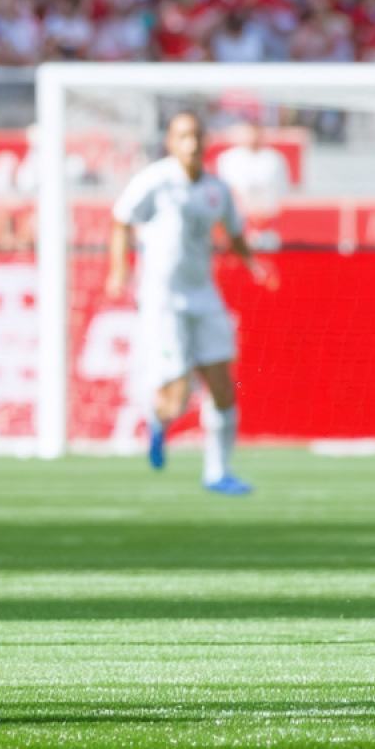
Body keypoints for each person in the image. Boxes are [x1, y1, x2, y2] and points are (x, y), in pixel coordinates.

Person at [106, 111, 275, 496]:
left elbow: (233, 232)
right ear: (170, 141)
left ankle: (218, 472)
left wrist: (252, 264)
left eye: (197, 135)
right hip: (164, 299)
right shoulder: (156, 181)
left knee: (223, 387)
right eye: (184, 136)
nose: (192, 143)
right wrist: (118, 270)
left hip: (203, 294)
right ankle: (157, 418)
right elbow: (120, 219)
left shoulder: (217, 188)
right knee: (178, 397)